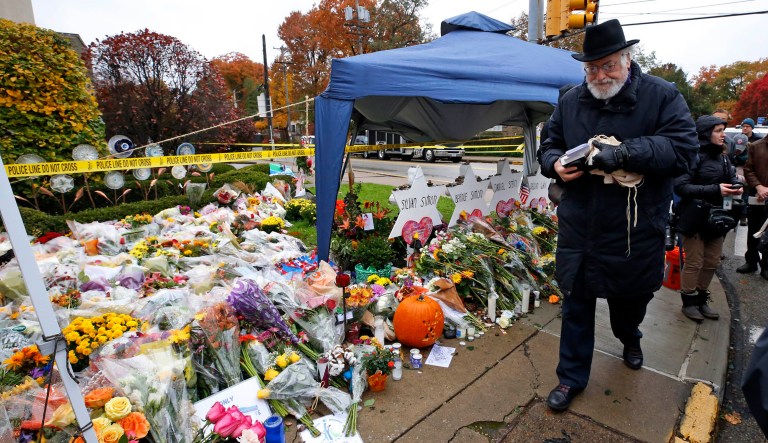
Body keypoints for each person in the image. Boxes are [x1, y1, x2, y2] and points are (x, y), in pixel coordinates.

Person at [537, 19, 698, 412]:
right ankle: (570, 378)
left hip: (634, 229)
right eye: (592, 67)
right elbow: (549, 146)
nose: (600, 74)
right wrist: (555, 163)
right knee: (577, 303)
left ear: (627, 60)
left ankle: (630, 336)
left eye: (608, 64)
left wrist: (625, 153)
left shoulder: (662, 96)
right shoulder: (572, 99)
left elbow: (683, 152)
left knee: (631, 301)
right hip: (581, 229)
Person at [673, 116, 742, 321]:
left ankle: (702, 299)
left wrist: (735, 186)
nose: (723, 135)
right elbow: (681, 186)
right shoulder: (693, 156)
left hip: (716, 217)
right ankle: (689, 301)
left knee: (711, 261)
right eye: (718, 130)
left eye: (723, 130)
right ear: (705, 133)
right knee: (694, 261)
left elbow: (730, 177)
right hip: (694, 216)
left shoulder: (723, 157)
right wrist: (715, 189)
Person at [736, 132, 768, 279]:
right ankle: (751, 261)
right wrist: (758, 186)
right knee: (753, 230)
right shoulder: (756, 146)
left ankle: (766, 265)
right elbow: (748, 169)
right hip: (758, 197)